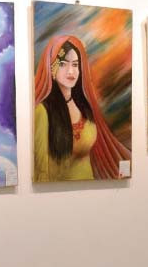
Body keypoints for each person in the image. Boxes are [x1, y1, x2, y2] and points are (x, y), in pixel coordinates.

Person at [33, 35, 131, 182]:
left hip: (91, 189)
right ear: (51, 68)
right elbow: (40, 169)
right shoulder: (43, 111)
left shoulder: (84, 106)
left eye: (75, 65)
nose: (71, 72)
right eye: (63, 64)